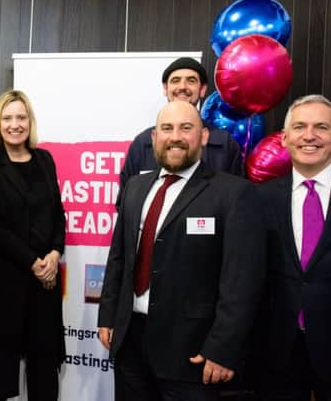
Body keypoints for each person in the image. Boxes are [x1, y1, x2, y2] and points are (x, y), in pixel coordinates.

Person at [98, 100, 265, 401]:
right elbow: (119, 258)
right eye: (167, 128)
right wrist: (108, 316)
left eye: (186, 128)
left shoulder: (233, 193)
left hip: (194, 353)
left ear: (202, 136)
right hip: (131, 344)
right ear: (154, 138)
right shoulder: (135, 187)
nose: (175, 136)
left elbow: (241, 281)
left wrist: (223, 347)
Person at [0, 90, 65, 401]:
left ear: (30, 121)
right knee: (0, 371)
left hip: (46, 283)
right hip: (7, 281)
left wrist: (54, 253)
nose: (15, 124)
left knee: (45, 366)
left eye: (21, 117)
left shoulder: (44, 159)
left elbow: (57, 213)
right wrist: (33, 263)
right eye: (7, 118)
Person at [254, 95, 331, 400]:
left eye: (321, 127)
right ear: (284, 138)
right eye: (300, 127)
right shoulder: (258, 199)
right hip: (277, 349)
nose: (309, 136)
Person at [119, 58, 243, 200]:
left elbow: (236, 200)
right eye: (175, 80)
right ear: (165, 89)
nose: (182, 87)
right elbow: (126, 202)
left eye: (191, 81)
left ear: (202, 90)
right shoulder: (142, 142)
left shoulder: (224, 143)